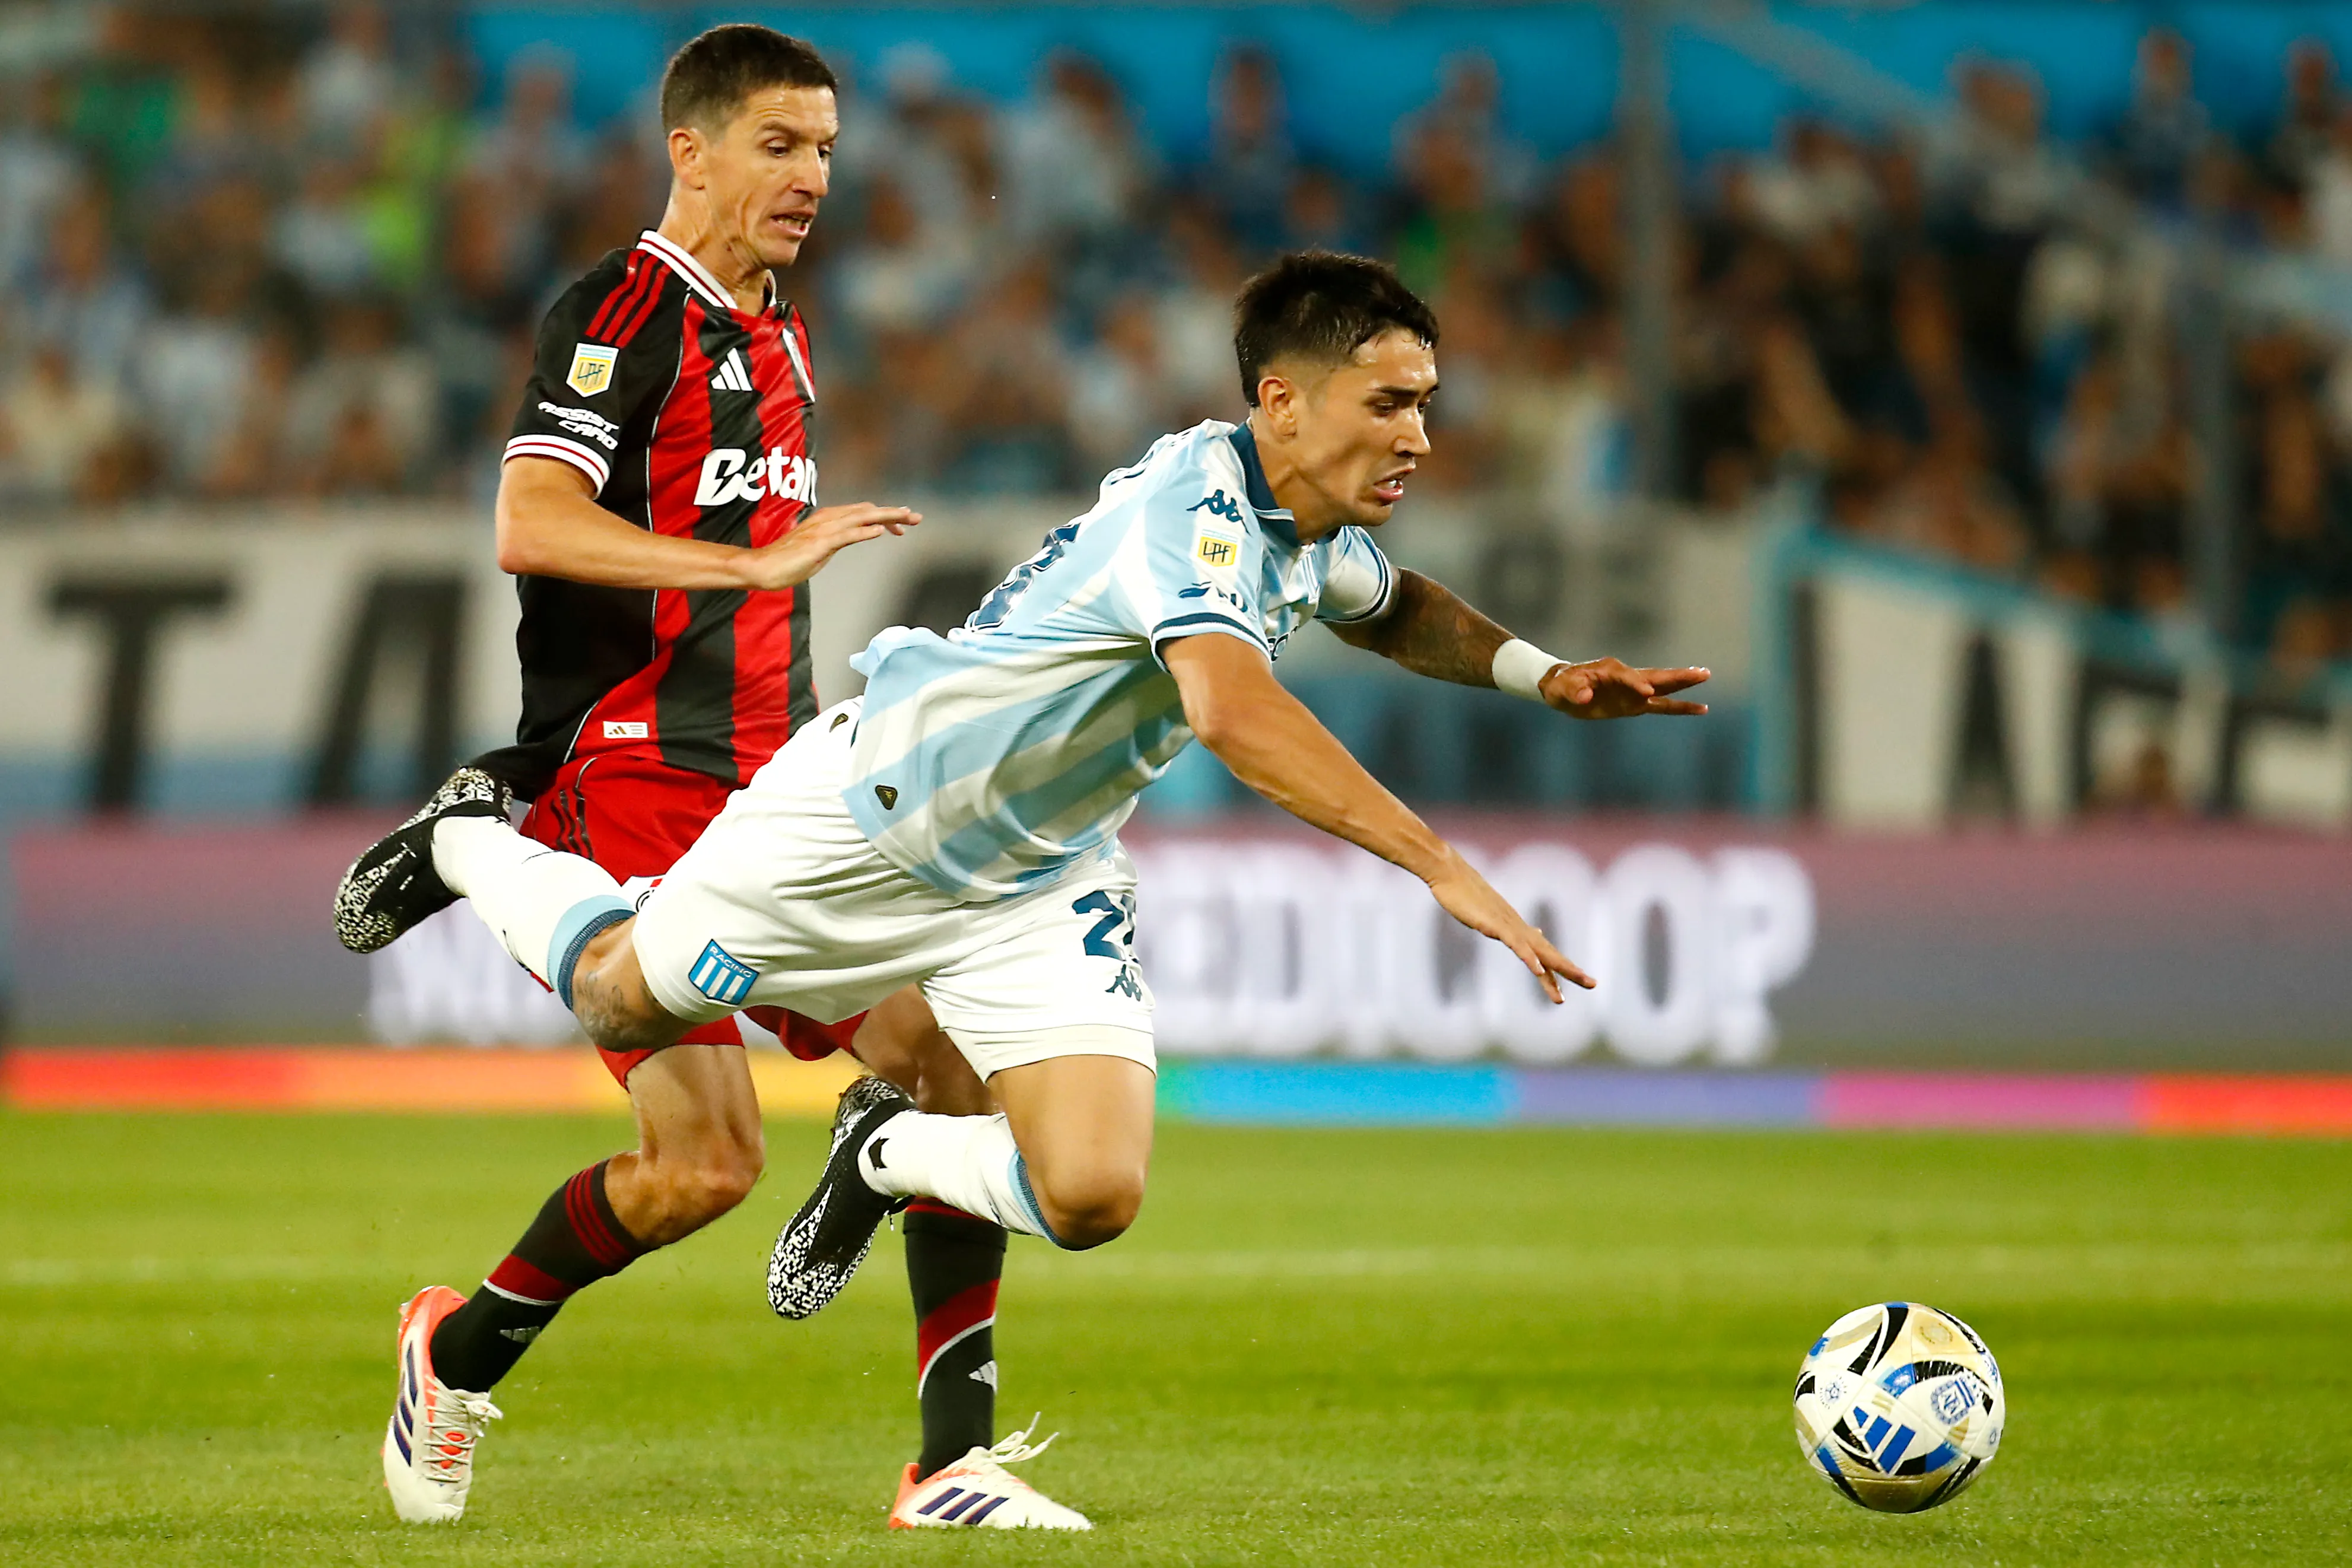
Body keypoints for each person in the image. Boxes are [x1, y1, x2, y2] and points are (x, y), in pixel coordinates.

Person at [336, 250, 1706, 1518]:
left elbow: (1389, 599)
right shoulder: (1194, 510)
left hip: (1032, 875)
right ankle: (467, 840)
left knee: (1092, 1190)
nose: (1417, 433)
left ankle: (930, 1399)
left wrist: (1544, 674)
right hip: (867, 820)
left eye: (1426, 404)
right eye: (1390, 402)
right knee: (620, 993)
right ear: (1281, 402)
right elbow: (1229, 712)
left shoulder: (1308, 523)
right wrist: (1441, 865)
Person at [332, 24, 1070, 1531]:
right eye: (781, 146)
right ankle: (454, 1351)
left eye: (825, 151)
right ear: (693, 150)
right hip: (632, 780)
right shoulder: (619, 309)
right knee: (706, 1164)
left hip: (781, 783)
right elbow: (531, 524)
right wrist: (747, 559)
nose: (812, 179)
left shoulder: (781, 324)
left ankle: (950, 1466)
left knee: (945, 1057)